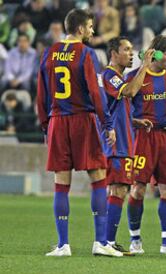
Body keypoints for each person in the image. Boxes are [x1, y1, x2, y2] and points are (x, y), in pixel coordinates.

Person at [36, 8, 121, 257]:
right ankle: (101, 242)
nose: (93, 31)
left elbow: (41, 91)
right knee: (98, 176)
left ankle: (63, 245)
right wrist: (107, 124)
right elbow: (96, 92)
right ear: (81, 29)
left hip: (57, 121)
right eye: (91, 27)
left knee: (61, 182)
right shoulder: (86, 53)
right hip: (83, 120)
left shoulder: (49, 52)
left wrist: (45, 124)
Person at [127, 35, 166, 255]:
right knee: (137, 189)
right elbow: (123, 109)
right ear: (156, 53)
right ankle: (135, 240)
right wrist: (134, 122)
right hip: (143, 138)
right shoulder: (135, 77)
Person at [101, 37, 154, 254]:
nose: (131, 53)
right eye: (126, 49)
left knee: (117, 190)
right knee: (118, 189)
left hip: (125, 142)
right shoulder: (109, 76)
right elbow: (131, 92)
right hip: (116, 145)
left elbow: (115, 111)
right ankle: (108, 243)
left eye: (132, 50)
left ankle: (106, 241)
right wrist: (145, 67)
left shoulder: (119, 78)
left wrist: (135, 121)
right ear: (114, 53)